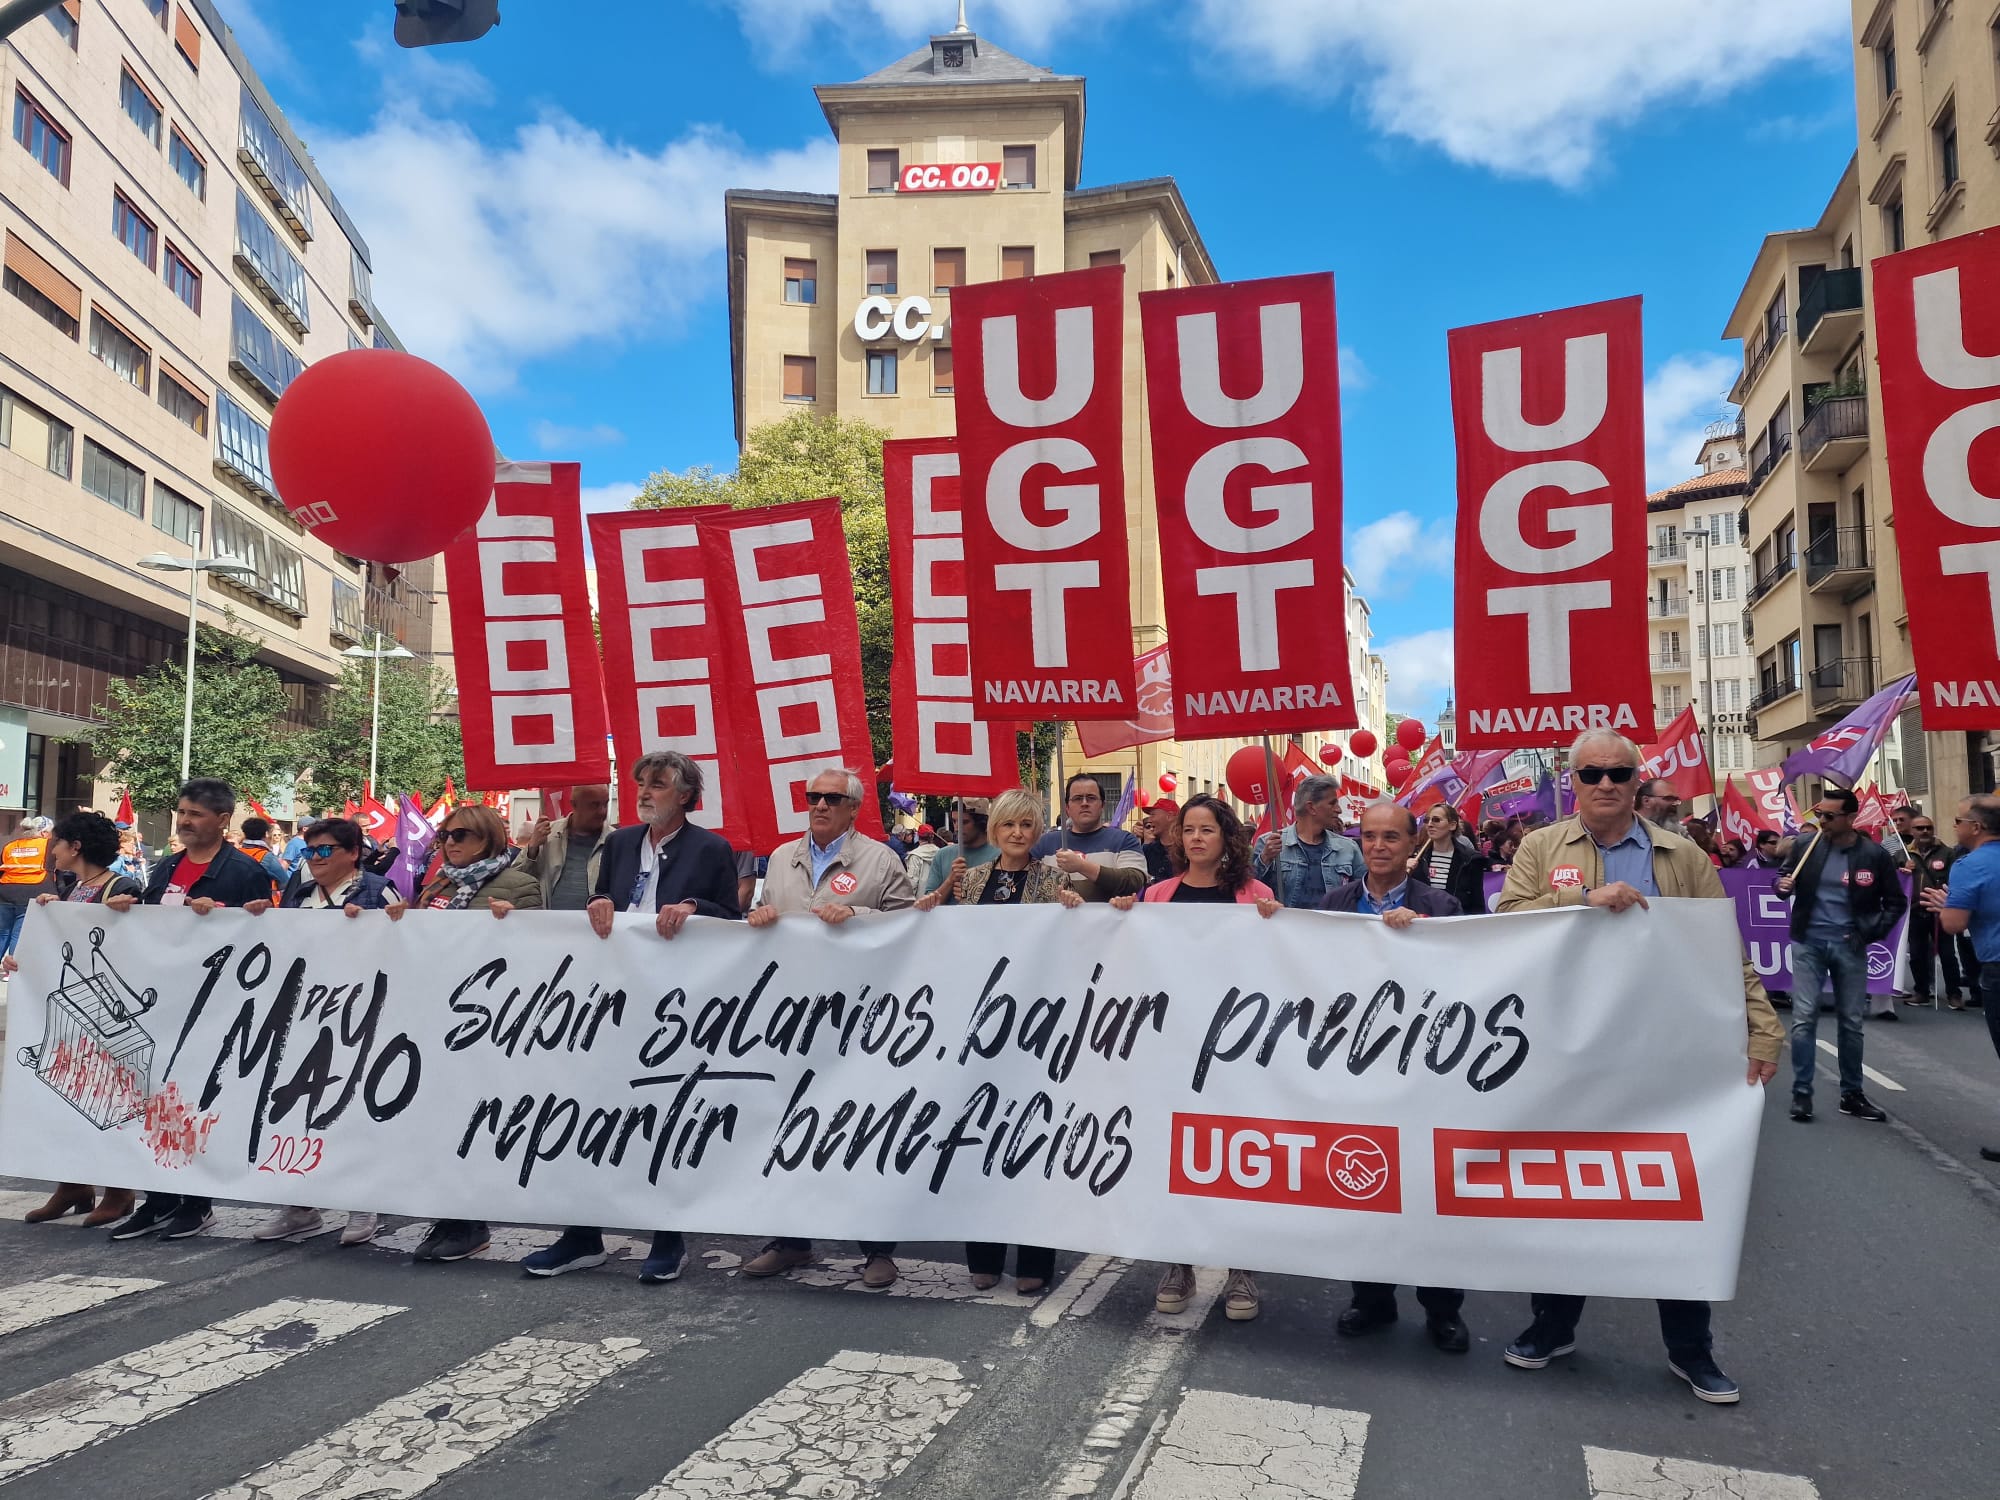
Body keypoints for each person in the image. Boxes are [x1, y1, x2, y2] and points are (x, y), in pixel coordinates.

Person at [1496, 729, 1782, 1404]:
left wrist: (1762, 1030)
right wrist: (1578, 901)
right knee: (1565, 1193)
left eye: (1618, 772)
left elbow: (1723, 950)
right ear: (1574, 781)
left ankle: (1691, 1350)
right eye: (1591, 773)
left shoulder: (1682, 857)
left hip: (1664, 1053)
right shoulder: (1541, 850)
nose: (1604, 783)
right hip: (1568, 1053)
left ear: (1635, 780)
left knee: (1675, 1196)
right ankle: (1552, 1326)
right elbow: (1504, 923)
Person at [523, 752, 744, 1283]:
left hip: (674, 1005)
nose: (644, 792)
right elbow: (610, 898)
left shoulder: (712, 848)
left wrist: (694, 907)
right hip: (611, 999)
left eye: (659, 785)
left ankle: (668, 1236)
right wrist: (599, 901)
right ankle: (582, 1235)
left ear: (686, 796)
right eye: (641, 783)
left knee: (662, 1115)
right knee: (589, 1109)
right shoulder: (620, 842)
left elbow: (731, 920)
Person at [742, 767, 915, 1287]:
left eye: (830, 798)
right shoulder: (780, 858)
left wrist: (858, 913)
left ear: (853, 808)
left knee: (861, 1126)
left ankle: (878, 1248)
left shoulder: (880, 860)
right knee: (785, 1125)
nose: (818, 805)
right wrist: (760, 916)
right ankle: (791, 1240)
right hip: (790, 1016)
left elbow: (911, 929)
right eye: (812, 796)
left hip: (857, 1016)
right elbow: (761, 912)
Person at [1112, 793, 1273, 1324]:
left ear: (1227, 838)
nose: (1196, 837)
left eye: (1208, 829)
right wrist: (1116, 921)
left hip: (1235, 1050)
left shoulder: (1255, 895)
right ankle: (1178, 1263)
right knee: (1175, 1156)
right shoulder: (1156, 896)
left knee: (1234, 1155)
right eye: (1188, 829)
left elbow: (1279, 967)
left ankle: (1241, 1266)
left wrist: (1277, 922)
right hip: (1172, 1047)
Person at [915, 788, 1083, 1292]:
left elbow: (1077, 943)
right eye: (1007, 825)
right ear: (994, 831)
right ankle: (982, 1255)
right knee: (976, 1139)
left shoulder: (1055, 881)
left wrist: (1077, 908)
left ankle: (1034, 1260)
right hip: (981, 1028)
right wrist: (936, 898)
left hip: (1036, 1031)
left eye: (1026, 826)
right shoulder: (969, 882)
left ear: (1036, 832)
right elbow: (945, 942)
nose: (1015, 833)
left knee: (1032, 1141)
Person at [1319, 800, 1469, 1353]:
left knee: (1428, 1190)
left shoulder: (1441, 904)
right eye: (1370, 837)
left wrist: (1420, 936)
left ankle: (1442, 1308)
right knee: (1366, 1182)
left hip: (1422, 1069)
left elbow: (1464, 976)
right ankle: (1372, 1298)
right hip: (1356, 1067)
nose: (1379, 846)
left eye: (1391, 838)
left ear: (1412, 847)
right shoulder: (1335, 903)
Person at [103, 779, 280, 1242]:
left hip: (215, 1011)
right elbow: (152, 927)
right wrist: (127, 908)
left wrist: (223, 913)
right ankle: (158, 1201)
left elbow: (262, 939)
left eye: (195, 814)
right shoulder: (166, 867)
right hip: (163, 1007)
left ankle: (197, 1204)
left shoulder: (243, 872)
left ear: (223, 820)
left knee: (196, 1105)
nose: (184, 821)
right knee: (154, 1104)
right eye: (182, 812)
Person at [237, 818, 402, 1248]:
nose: (315, 859)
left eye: (325, 851)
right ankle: (300, 1204)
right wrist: (262, 918)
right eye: (310, 851)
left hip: (360, 1015)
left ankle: (362, 1201)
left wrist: (376, 923)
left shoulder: (378, 889)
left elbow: (405, 941)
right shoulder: (298, 889)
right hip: (302, 1013)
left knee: (350, 1107)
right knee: (296, 1105)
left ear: (353, 853)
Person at [407, 804, 544, 1263]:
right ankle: (449, 1219)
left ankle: (470, 1221)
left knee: (472, 1123)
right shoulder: (438, 884)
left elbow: (538, 954)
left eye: (461, 835)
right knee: (437, 1121)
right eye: (445, 836)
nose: (450, 843)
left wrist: (515, 926)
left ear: (487, 838)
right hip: (435, 1017)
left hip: (489, 1023)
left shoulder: (519, 886)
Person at [2, 812, 142, 1228]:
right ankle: (73, 1184)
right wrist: (28, 954)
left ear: (75, 847)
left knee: (109, 1100)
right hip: (73, 1007)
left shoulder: (124, 887)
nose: (52, 851)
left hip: (107, 1013)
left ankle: (120, 1189)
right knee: (67, 1096)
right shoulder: (71, 887)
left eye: (57, 843)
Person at [1774, 786, 1904, 1121]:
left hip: (1850, 946)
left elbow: (1895, 903)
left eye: (1830, 817)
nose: (1822, 822)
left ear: (1850, 817)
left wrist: (1866, 933)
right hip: (1808, 944)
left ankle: (1852, 1094)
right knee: (1803, 1019)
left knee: (1851, 1022)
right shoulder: (1806, 845)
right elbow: (1783, 877)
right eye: (1819, 815)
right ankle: (1801, 1094)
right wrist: (1781, 886)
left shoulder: (1874, 855)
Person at [1925, 796, 2000, 1161]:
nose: (1954, 827)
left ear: (1977, 827)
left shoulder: (1969, 866)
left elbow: (1954, 924)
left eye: (1957, 820)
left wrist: (1948, 906)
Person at [1252, 773, 1363, 909]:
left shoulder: (1348, 848)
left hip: (1333, 928)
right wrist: (1265, 858)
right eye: (1332, 803)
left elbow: (1366, 894)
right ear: (1311, 807)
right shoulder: (1268, 843)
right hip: (1285, 929)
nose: (1339, 810)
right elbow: (1249, 891)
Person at [1034, 774, 1148, 900]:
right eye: (1077, 798)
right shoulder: (1045, 843)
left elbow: (1134, 881)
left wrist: (1082, 866)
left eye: (1091, 798)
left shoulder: (1124, 840)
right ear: (1067, 808)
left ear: (1102, 805)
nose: (1084, 803)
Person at [1905, 813, 1966, 1008]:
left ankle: (1954, 994)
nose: (1925, 831)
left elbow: (1956, 879)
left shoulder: (1947, 853)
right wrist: (1902, 868)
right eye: (1920, 828)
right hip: (1915, 912)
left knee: (1947, 954)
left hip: (1940, 911)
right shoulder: (1902, 854)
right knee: (1916, 954)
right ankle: (1921, 991)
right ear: (1912, 831)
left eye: (1928, 828)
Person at [519, 784, 611, 912]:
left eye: (605, 804)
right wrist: (533, 848)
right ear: (574, 804)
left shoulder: (615, 840)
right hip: (549, 926)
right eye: (594, 805)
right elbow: (517, 881)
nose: (602, 811)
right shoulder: (547, 835)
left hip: (596, 928)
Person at [1406, 801, 1489, 915]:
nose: (1429, 824)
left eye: (1436, 820)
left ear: (1452, 825)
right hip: (1422, 922)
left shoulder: (1470, 859)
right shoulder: (1416, 856)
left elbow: (1477, 901)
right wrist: (1403, 872)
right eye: (1427, 820)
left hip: (1455, 922)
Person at [919, 797, 999, 897]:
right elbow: (928, 902)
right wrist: (950, 880)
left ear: (981, 822)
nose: (957, 827)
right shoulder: (942, 855)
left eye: (964, 822)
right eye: (954, 821)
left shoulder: (1001, 855)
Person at [0, 815, 53, 960]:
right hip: (33, 890)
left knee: (2, 932)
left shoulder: (10, 846)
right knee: (20, 933)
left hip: (5, 891)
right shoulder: (48, 845)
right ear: (44, 832)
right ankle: (11, 969)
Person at [237, 816, 292, 899]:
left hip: (233, 903)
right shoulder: (267, 857)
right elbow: (284, 883)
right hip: (259, 905)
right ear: (266, 834)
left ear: (244, 833)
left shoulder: (235, 853)